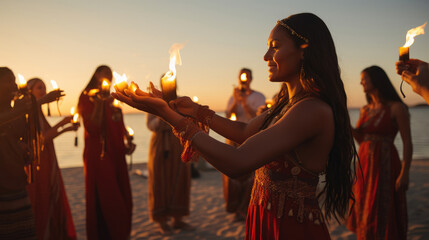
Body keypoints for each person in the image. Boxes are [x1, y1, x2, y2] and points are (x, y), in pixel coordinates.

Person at [113, 13, 357, 240]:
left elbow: (238, 162)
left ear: (304, 50)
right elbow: (243, 132)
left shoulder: (311, 109)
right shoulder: (287, 104)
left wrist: (166, 114)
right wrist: (193, 111)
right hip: (266, 218)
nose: (265, 56)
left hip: (290, 228)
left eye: (275, 46)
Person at [347, 66, 412, 240]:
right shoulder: (365, 110)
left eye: (364, 78)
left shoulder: (396, 108)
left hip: (386, 164)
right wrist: (346, 124)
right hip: (364, 165)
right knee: (365, 206)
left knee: (383, 206)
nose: (361, 82)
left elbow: (407, 142)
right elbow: (362, 140)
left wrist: (405, 172)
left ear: (376, 79)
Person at [78, 65, 134, 240]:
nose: (108, 76)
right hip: (99, 154)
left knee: (123, 197)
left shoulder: (113, 98)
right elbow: (92, 128)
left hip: (117, 153)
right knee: (108, 198)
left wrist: (127, 143)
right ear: (96, 74)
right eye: (105, 73)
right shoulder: (87, 97)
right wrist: (100, 103)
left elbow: (118, 124)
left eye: (110, 73)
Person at [25, 78, 77, 240]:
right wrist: (62, 123)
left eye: (44, 88)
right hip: (38, 164)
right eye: (39, 88)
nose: (43, 91)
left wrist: (67, 128)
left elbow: (47, 137)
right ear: (29, 92)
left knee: (49, 198)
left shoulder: (38, 112)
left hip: (47, 160)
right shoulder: (29, 113)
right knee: (41, 199)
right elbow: (40, 141)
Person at [224, 68, 265, 221]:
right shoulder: (233, 96)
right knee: (233, 176)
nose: (244, 80)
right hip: (233, 137)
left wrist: (244, 103)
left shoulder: (258, 97)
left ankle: (247, 209)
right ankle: (235, 209)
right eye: (242, 77)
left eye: (246, 77)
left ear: (251, 79)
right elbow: (228, 115)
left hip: (251, 137)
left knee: (251, 177)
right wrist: (236, 101)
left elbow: (257, 117)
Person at [0, 67, 36, 239]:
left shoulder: (13, 105)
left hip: (15, 177)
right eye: (9, 81)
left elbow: (16, 134)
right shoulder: (12, 110)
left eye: (14, 80)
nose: (14, 84)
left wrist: (22, 146)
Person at [146, 113, 193, 234]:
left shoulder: (179, 102)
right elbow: (150, 125)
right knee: (159, 179)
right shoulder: (152, 102)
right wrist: (163, 114)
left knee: (180, 178)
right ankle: (162, 221)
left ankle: (178, 219)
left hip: (178, 143)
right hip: (161, 143)